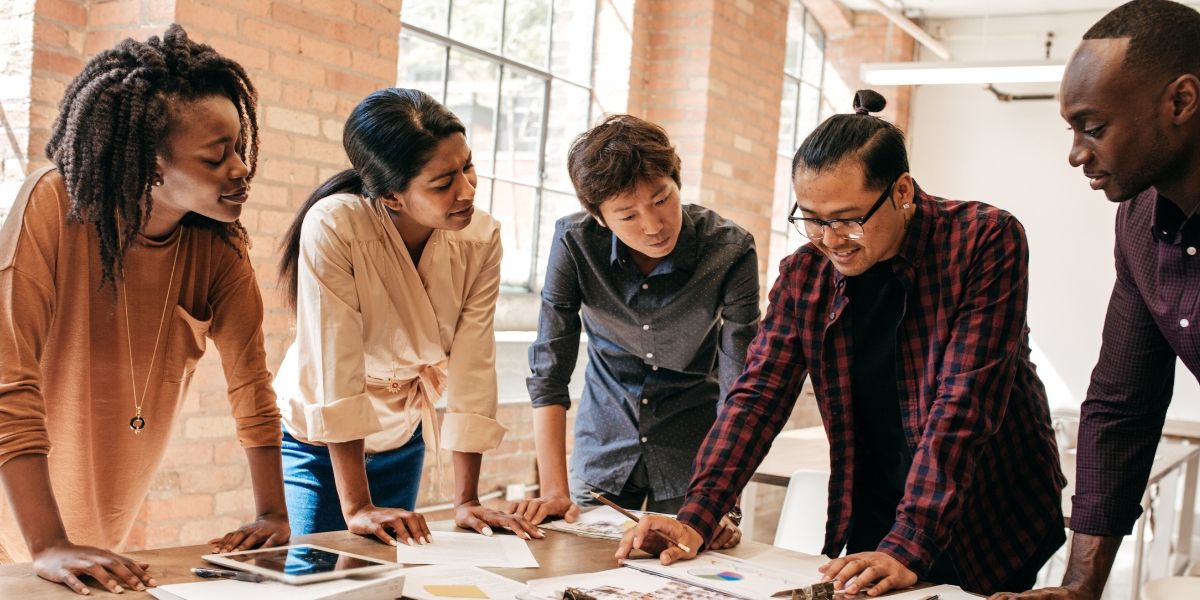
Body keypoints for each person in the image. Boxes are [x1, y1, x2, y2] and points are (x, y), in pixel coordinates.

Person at [617, 91, 1066, 597]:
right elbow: (757, 397)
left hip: (989, 508)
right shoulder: (805, 275)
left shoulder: (984, 240)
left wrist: (911, 541)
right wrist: (697, 515)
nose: (830, 240)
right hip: (881, 510)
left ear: (901, 192)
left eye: (849, 218)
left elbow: (964, 404)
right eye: (811, 218)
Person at [0, 25, 289, 595]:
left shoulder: (219, 250)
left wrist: (273, 513)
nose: (240, 168)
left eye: (239, 147)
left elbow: (252, 387)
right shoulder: (53, 206)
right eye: (216, 156)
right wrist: (47, 544)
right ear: (153, 163)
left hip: (95, 522)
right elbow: (7, 382)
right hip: (19, 507)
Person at [995, 2, 1200, 599]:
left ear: (1181, 102)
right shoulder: (1139, 222)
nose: (1077, 153)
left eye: (1094, 126)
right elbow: (1121, 405)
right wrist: (1081, 586)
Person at [275, 88, 540, 546]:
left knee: (391, 577)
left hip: (402, 432)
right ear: (392, 197)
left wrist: (467, 500)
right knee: (319, 574)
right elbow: (334, 368)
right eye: (442, 183)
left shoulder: (481, 237)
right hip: (319, 443)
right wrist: (357, 507)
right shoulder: (336, 225)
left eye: (467, 167)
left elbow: (474, 362)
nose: (467, 190)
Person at [514, 115, 758, 550]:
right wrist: (554, 490)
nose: (653, 225)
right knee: (579, 570)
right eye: (627, 214)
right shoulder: (575, 243)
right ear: (600, 217)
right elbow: (549, 369)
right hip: (605, 443)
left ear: (676, 182)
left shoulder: (730, 249)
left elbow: (740, 387)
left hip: (695, 455)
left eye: (662, 199)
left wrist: (722, 498)